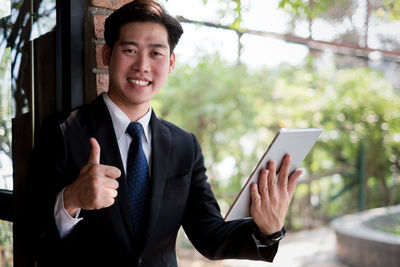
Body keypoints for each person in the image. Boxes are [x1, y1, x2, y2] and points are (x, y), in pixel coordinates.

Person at [26, 0, 302, 266]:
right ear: (106, 55)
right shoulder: (63, 132)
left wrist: (268, 230)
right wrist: (71, 200)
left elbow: (210, 236)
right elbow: (33, 239)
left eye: (156, 53)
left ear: (170, 63)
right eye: (130, 50)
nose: (142, 66)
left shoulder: (184, 145)